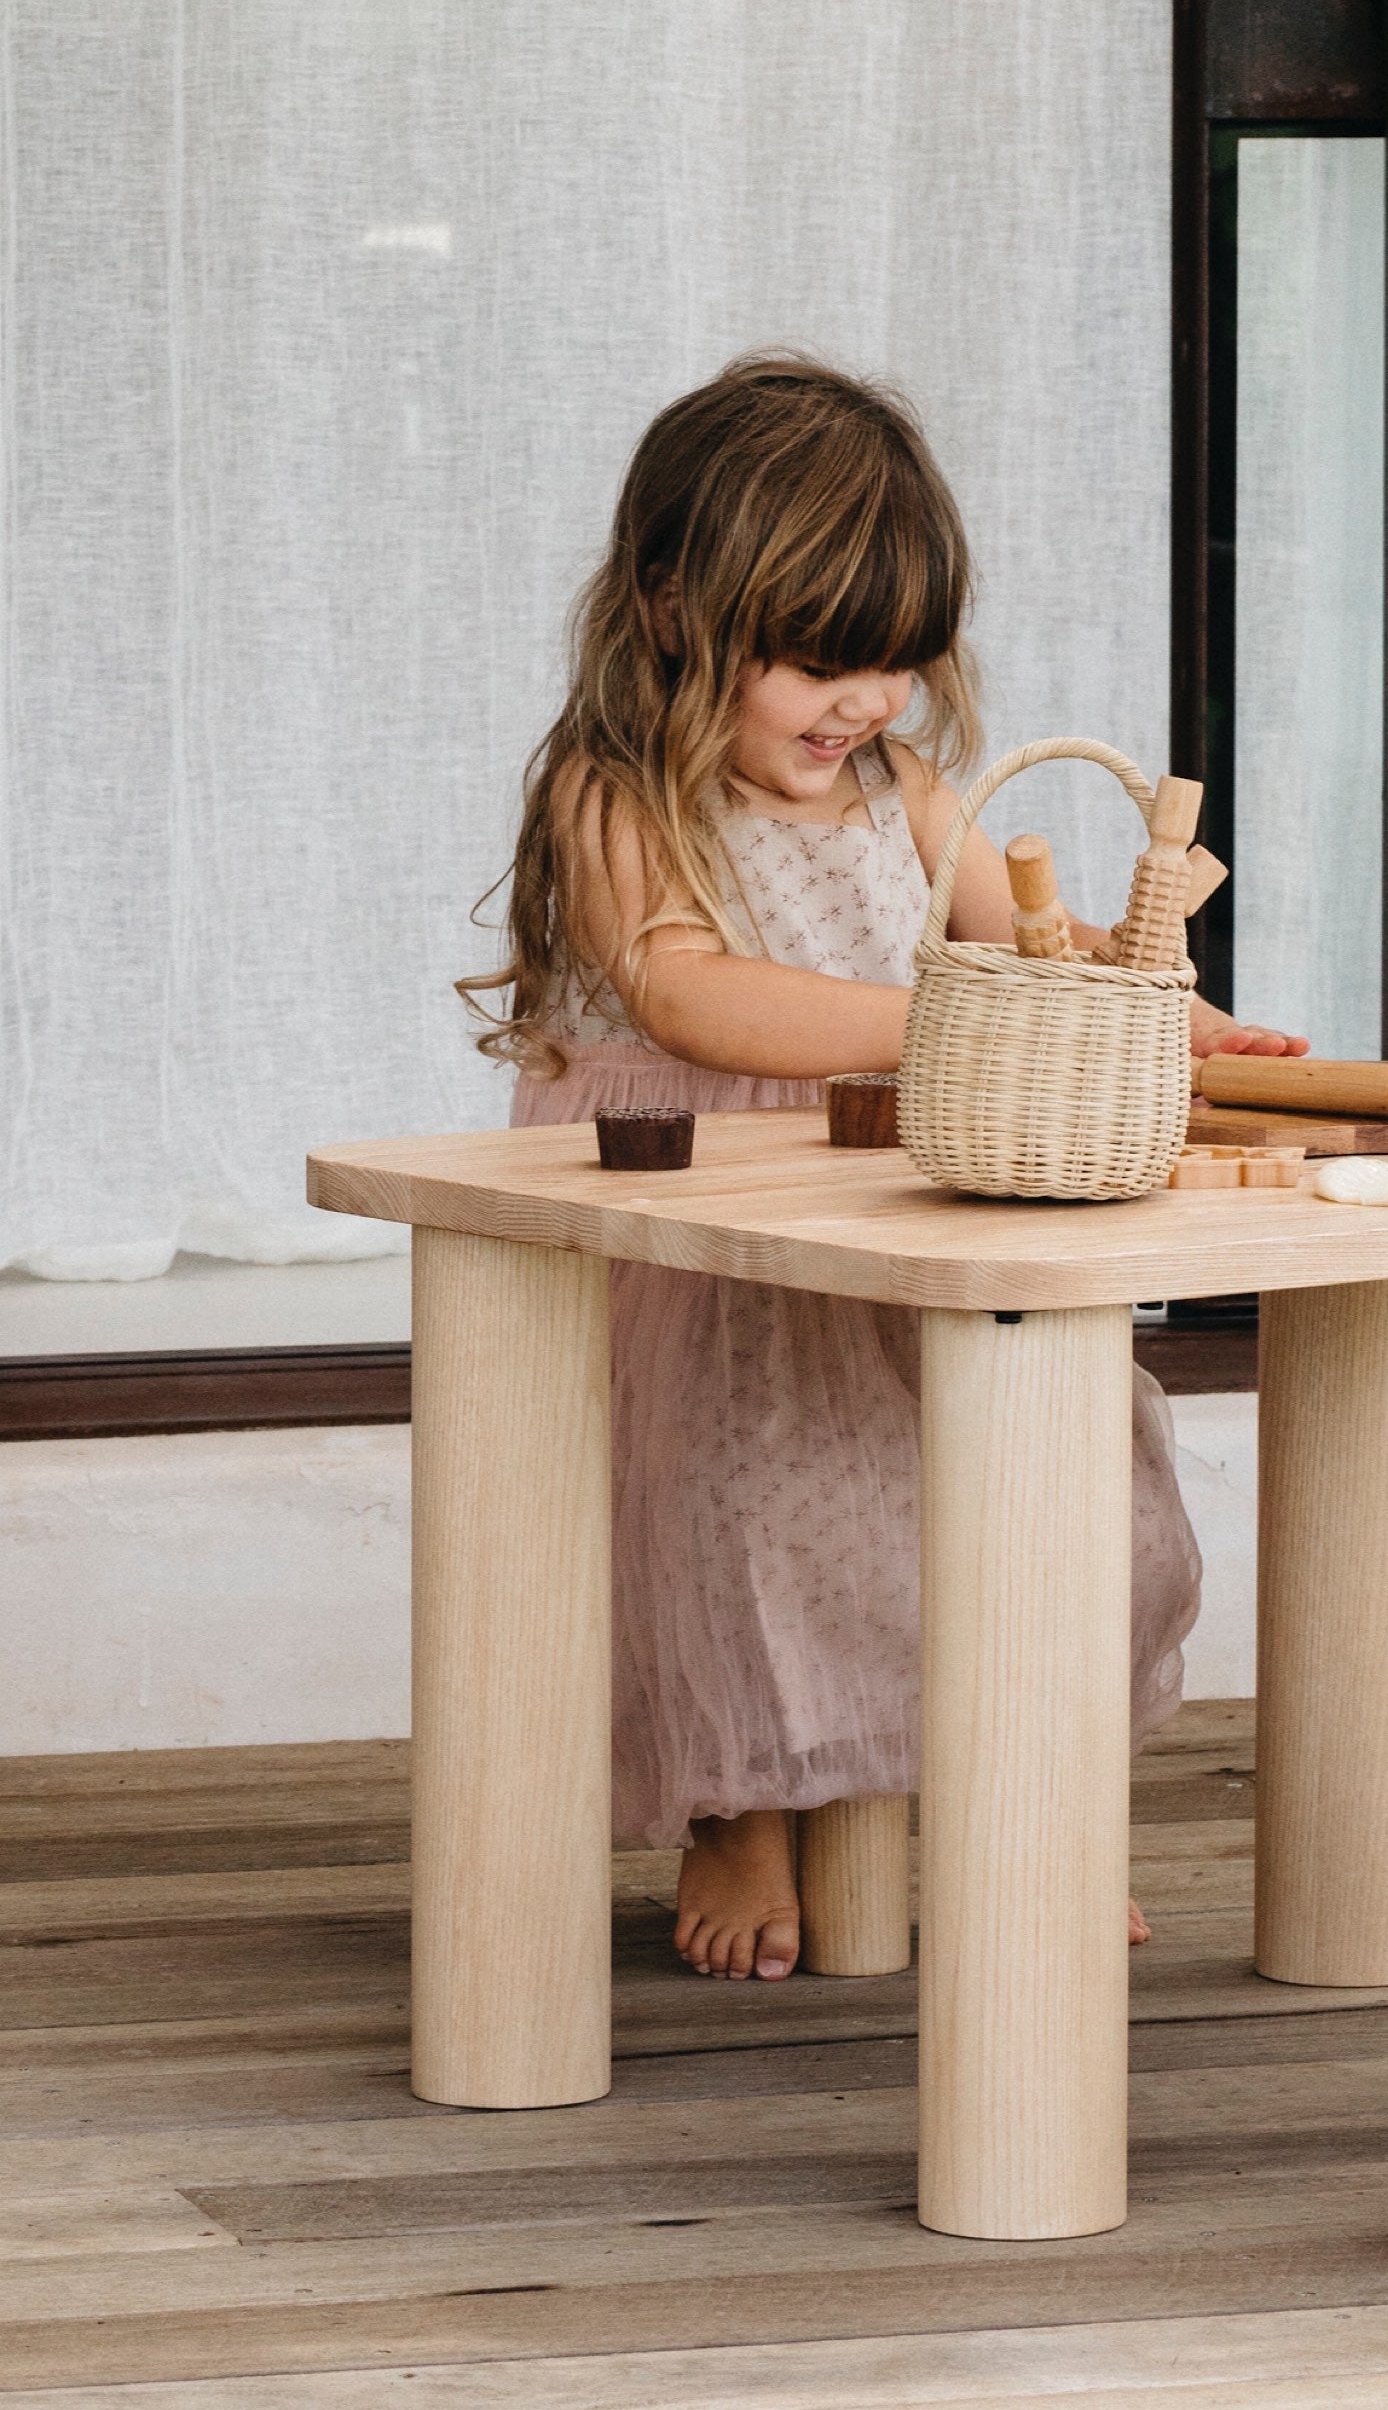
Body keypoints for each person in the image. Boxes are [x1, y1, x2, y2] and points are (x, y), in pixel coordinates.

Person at [464, 353, 1302, 1983]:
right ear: (670, 609)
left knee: (1067, 1489)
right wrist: (949, 1017)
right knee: (753, 1512)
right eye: (814, 665)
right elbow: (691, 990)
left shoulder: (906, 792)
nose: (860, 705)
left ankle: (1022, 1797)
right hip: (707, 1216)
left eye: (894, 668)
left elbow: (1034, 947)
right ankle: (744, 1808)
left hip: (907, 1202)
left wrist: (1168, 1023)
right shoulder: (616, 789)